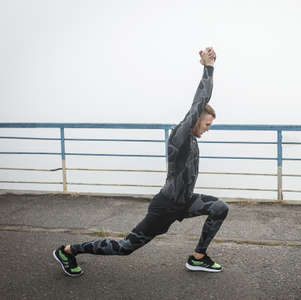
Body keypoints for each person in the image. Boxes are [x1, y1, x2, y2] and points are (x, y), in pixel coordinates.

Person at [53, 47, 228, 277]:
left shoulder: (193, 139)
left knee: (219, 208)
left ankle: (198, 258)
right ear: (195, 121)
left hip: (184, 202)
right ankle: (68, 251)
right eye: (206, 124)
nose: (207, 129)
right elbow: (199, 101)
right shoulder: (181, 136)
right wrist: (208, 68)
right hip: (165, 207)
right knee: (126, 247)